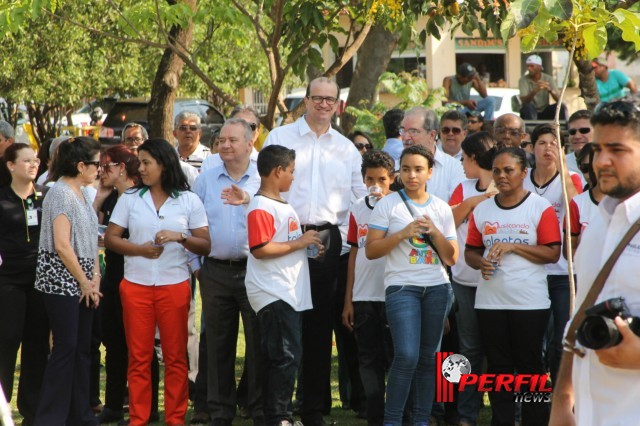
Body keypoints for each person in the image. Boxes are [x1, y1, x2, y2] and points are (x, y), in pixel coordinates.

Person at [263, 77, 367, 426]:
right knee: (282, 326)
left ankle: (312, 408)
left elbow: (357, 199)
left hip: (328, 239)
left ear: (338, 105)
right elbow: (261, 185)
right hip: (285, 236)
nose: (324, 104)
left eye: (330, 99)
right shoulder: (280, 138)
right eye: (317, 98)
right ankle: (276, 408)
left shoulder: (347, 149)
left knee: (319, 329)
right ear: (305, 100)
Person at [104, 139, 211, 426]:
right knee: (138, 357)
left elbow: (205, 245)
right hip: (135, 285)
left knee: (176, 357)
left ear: (164, 165)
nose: (140, 168)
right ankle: (139, 418)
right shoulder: (130, 198)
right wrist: (139, 249)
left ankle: (175, 418)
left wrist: (181, 237)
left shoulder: (188, 200)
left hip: (174, 285)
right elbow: (111, 238)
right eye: (140, 162)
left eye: (146, 162)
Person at [550, 101, 640, 425]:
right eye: (597, 148)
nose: (601, 160)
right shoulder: (601, 218)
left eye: (617, 149)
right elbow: (577, 319)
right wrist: (562, 399)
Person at [465, 147, 561, 426]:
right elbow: (471, 252)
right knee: (498, 368)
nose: (502, 175)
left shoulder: (539, 207)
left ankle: (535, 421)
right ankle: (502, 420)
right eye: (496, 170)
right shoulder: (482, 209)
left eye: (508, 170)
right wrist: (479, 263)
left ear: (524, 173)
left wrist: (514, 246)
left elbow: (553, 252)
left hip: (529, 302)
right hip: (489, 301)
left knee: (531, 367)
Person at [366, 145, 458, 426]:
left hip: (437, 288)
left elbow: (451, 257)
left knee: (429, 359)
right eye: (405, 169)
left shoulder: (441, 207)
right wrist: (404, 233)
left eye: (418, 169)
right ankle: (392, 420)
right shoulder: (387, 205)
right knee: (406, 355)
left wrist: (435, 231)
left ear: (430, 172)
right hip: (402, 287)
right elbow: (371, 250)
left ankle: (421, 420)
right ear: (398, 173)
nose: (412, 175)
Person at [192, 118, 264, 426]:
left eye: (232, 140)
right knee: (217, 344)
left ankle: (258, 407)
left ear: (250, 144)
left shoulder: (263, 178)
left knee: (259, 343)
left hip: (256, 271)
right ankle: (220, 411)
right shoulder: (206, 180)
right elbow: (191, 224)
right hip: (216, 272)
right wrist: (197, 267)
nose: (224, 145)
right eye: (221, 140)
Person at [245, 145, 321, 426]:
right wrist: (299, 242)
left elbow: (282, 243)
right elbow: (260, 248)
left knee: (286, 354)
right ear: (278, 171)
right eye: (291, 171)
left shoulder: (282, 205)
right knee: (285, 355)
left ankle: (274, 415)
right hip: (272, 290)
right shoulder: (261, 206)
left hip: (287, 290)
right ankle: (278, 417)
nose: (293, 177)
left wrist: (306, 247)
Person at [33, 136, 103, 426]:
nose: (100, 169)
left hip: (85, 277)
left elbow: (90, 241)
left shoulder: (85, 194)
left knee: (83, 348)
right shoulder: (59, 193)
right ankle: (51, 418)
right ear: (80, 165)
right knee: (66, 347)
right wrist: (84, 282)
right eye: (96, 164)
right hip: (61, 279)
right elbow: (62, 245)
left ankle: (80, 415)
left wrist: (95, 277)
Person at [92, 145, 155, 425]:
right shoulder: (108, 198)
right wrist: (97, 202)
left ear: (121, 168)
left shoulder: (140, 198)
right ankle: (114, 404)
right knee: (113, 343)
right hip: (113, 278)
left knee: (140, 346)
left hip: (137, 277)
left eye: (105, 167)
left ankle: (148, 406)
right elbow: (90, 229)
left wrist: (118, 242)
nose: (100, 173)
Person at [523, 124, 583, 386]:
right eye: (542, 143)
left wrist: (564, 173)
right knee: (532, 342)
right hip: (529, 270)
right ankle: (534, 399)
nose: (547, 148)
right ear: (532, 147)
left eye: (553, 144)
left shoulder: (572, 178)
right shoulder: (522, 177)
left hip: (561, 273)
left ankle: (561, 399)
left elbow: (577, 208)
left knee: (562, 341)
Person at [448, 132, 499, 426]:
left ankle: (507, 413)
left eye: (464, 159)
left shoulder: (506, 185)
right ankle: (466, 415)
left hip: (498, 282)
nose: (462, 164)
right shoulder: (463, 187)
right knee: (469, 349)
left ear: (474, 158)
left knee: (500, 349)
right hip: (464, 281)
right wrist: (477, 200)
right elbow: (449, 220)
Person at [341, 150, 395, 426]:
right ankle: (375, 414)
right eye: (370, 179)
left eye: (382, 179)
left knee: (397, 357)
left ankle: (400, 413)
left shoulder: (401, 206)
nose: (376, 185)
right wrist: (349, 299)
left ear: (392, 179)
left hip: (395, 294)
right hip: (364, 295)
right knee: (368, 358)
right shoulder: (358, 208)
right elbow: (353, 252)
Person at [0, 143, 49, 426]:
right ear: (11, 165)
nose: (33, 165)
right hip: (8, 280)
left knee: (37, 344)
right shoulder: (2, 199)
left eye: (36, 160)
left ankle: (33, 411)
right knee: (7, 341)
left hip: (40, 279)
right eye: (27, 160)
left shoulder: (45, 198)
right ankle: (3, 409)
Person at [399, 106, 465, 202]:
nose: (405, 137)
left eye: (413, 131)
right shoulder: (394, 167)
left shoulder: (454, 168)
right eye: (403, 130)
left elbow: (457, 208)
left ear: (432, 135)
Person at [564, 143, 602, 259]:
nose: (591, 173)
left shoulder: (628, 200)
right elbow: (568, 252)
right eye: (585, 168)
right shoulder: (577, 203)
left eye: (595, 167)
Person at [201, 105, 261, 172]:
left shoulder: (266, 164)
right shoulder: (210, 163)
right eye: (238, 125)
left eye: (250, 126)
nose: (245, 130)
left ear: (257, 133)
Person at [519, 54, 567, 120]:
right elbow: (524, 101)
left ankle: (563, 128)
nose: (529, 68)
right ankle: (531, 129)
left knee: (562, 106)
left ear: (539, 67)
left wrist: (550, 90)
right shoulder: (523, 80)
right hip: (531, 112)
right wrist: (535, 91)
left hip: (545, 110)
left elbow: (559, 100)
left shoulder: (548, 78)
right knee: (527, 107)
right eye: (528, 66)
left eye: (532, 66)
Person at [566, 110, 594, 187]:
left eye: (584, 131)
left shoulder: (609, 163)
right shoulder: (560, 165)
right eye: (572, 132)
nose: (577, 136)